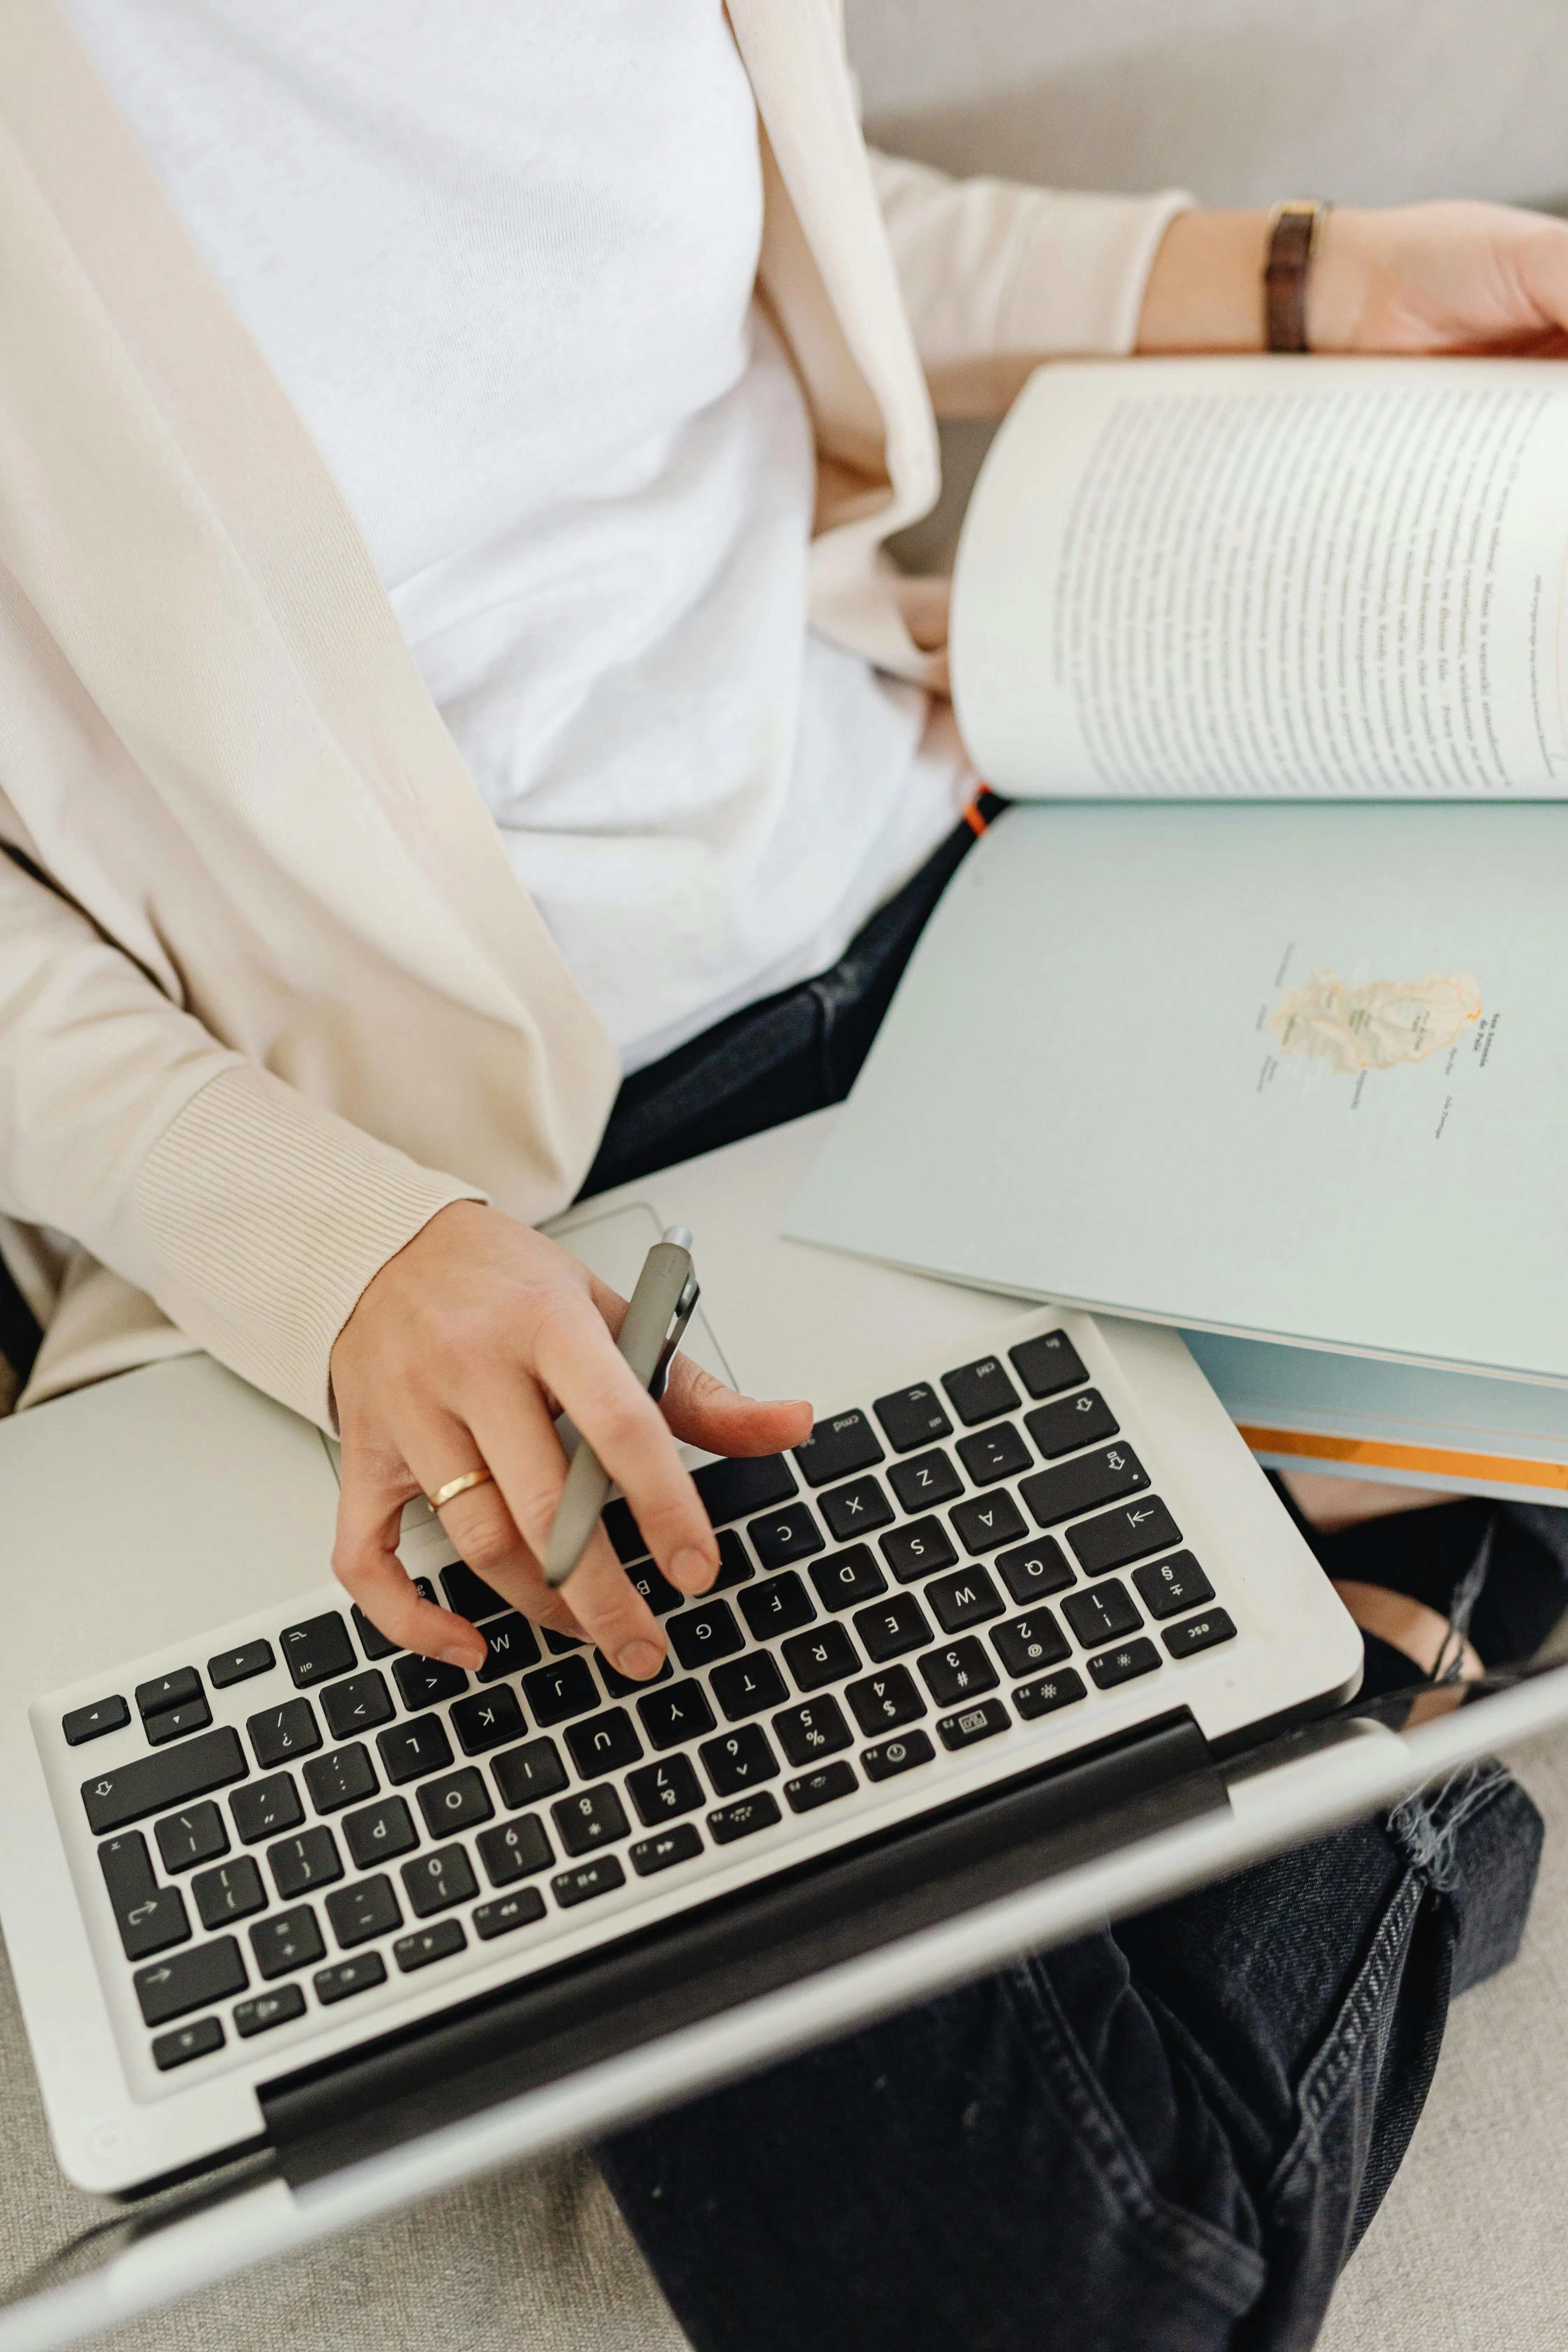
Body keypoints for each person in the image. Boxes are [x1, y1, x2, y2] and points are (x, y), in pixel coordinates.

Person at [0, 5, 1563, 2343]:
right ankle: (1426, 1604)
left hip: (966, 886)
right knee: (1061, 2294)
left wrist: (1304, 273)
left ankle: (1360, 1575)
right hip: (493, 1210)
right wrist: (341, 1256)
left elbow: (728, 253)